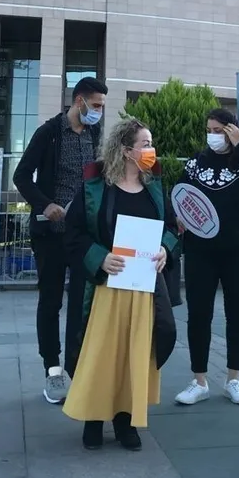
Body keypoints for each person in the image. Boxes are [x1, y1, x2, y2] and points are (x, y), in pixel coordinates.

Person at [62, 118, 178, 451]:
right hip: (105, 290)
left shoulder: (154, 188)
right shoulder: (95, 188)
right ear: (126, 150)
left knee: (134, 355)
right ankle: (94, 419)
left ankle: (126, 421)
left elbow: (171, 229)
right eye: (145, 144)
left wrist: (165, 249)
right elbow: (73, 233)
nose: (151, 150)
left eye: (150, 143)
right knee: (101, 355)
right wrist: (99, 257)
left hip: (143, 290)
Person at [13, 77, 108, 403]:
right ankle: (53, 370)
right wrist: (45, 205)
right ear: (79, 101)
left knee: (83, 303)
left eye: (102, 106)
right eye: (96, 105)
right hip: (50, 235)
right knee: (51, 301)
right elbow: (21, 176)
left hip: (83, 236)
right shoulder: (49, 133)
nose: (99, 111)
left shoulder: (94, 132)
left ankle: (77, 368)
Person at [174, 108, 239, 407]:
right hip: (200, 250)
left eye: (219, 130)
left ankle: (234, 379)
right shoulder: (195, 162)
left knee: (238, 314)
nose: (213, 136)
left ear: (232, 130)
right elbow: (180, 194)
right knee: (198, 314)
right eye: (209, 130)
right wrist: (178, 216)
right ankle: (199, 381)